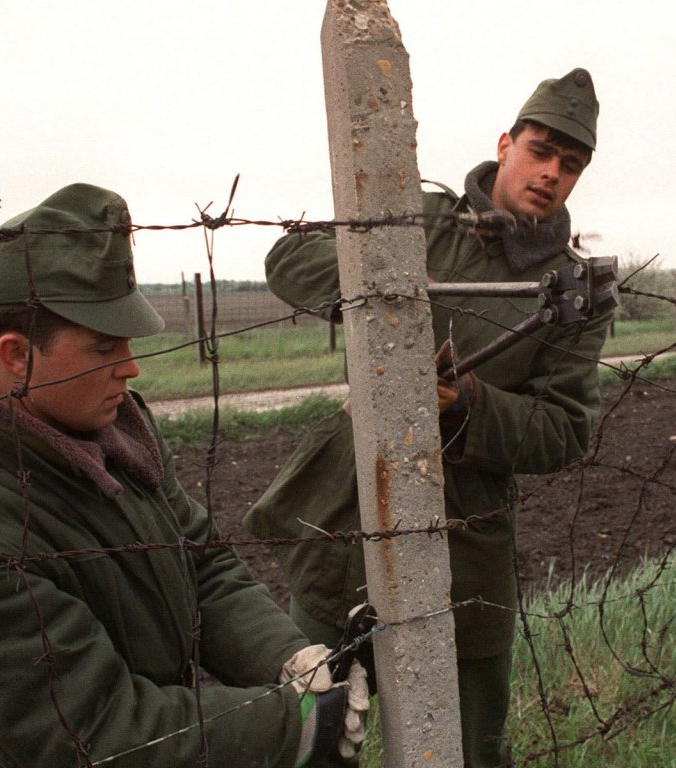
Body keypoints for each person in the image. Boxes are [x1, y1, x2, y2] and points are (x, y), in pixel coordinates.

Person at [0, 183, 368, 767]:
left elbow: (200, 561)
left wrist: (288, 658)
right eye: (105, 346)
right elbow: (95, 730)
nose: (132, 366)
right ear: (16, 357)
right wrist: (295, 727)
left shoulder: (115, 432)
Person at [244, 68, 612, 767]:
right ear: (505, 145)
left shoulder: (573, 292)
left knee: (471, 750)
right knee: (306, 735)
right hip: (348, 513)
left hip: (465, 546)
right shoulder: (409, 214)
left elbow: (563, 429)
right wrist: (383, 299)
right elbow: (290, 255)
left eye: (571, 165)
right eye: (539, 151)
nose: (550, 174)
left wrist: (466, 403)